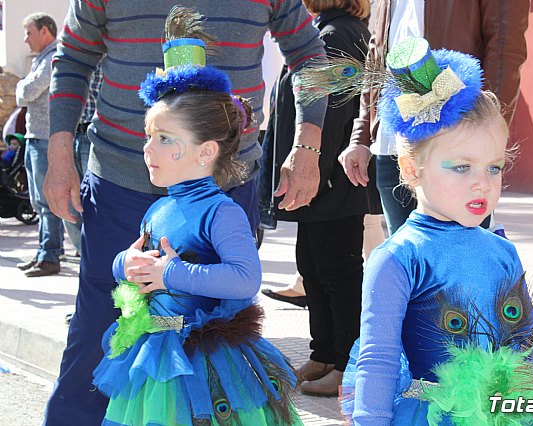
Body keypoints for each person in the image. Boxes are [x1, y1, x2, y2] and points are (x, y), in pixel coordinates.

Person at [42, 3, 327, 424]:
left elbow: (310, 54)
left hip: (227, 184)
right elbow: (72, 57)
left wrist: (307, 146)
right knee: (97, 332)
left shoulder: (221, 214)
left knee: (217, 333)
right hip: (117, 182)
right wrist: (59, 153)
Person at [341, 37, 533, 425]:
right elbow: (379, 359)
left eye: (494, 167)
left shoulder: (501, 251)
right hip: (432, 410)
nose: (482, 184)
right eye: (461, 167)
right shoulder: (399, 259)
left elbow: (531, 343)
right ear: (410, 170)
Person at [91, 29, 301, 423]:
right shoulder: (159, 210)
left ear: (206, 152)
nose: (148, 148)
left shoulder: (221, 212)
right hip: (154, 352)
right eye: (148, 136)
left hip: (205, 362)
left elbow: (243, 279)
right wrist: (126, 264)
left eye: (164, 138)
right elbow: (140, 264)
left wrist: (171, 272)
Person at [260, 0, 374, 397]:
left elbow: (339, 110)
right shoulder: (326, 29)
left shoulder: (336, 33)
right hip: (322, 179)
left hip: (331, 180)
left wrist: (313, 173)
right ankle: (324, 354)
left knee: (338, 274)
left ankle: (347, 365)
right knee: (312, 266)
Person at [338, 0, 530, 234]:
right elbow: (376, 54)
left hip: (457, 141)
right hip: (393, 141)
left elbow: (505, 46)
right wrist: (361, 134)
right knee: (405, 258)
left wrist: (486, 129)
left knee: (460, 261)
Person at [15, 12, 63, 277]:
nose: (25, 39)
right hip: (37, 136)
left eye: (29, 33)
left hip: (45, 138)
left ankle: (50, 256)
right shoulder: (41, 59)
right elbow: (24, 92)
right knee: (38, 201)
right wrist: (24, 86)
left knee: (46, 202)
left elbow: (28, 92)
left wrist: (23, 85)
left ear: (45, 31)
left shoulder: (53, 56)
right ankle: (44, 253)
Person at [63, 65, 103, 257]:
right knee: (69, 203)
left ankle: (94, 260)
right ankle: (86, 257)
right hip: (71, 135)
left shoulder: (107, 55)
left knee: (94, 203)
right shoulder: (74, 55)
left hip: (93, 135)